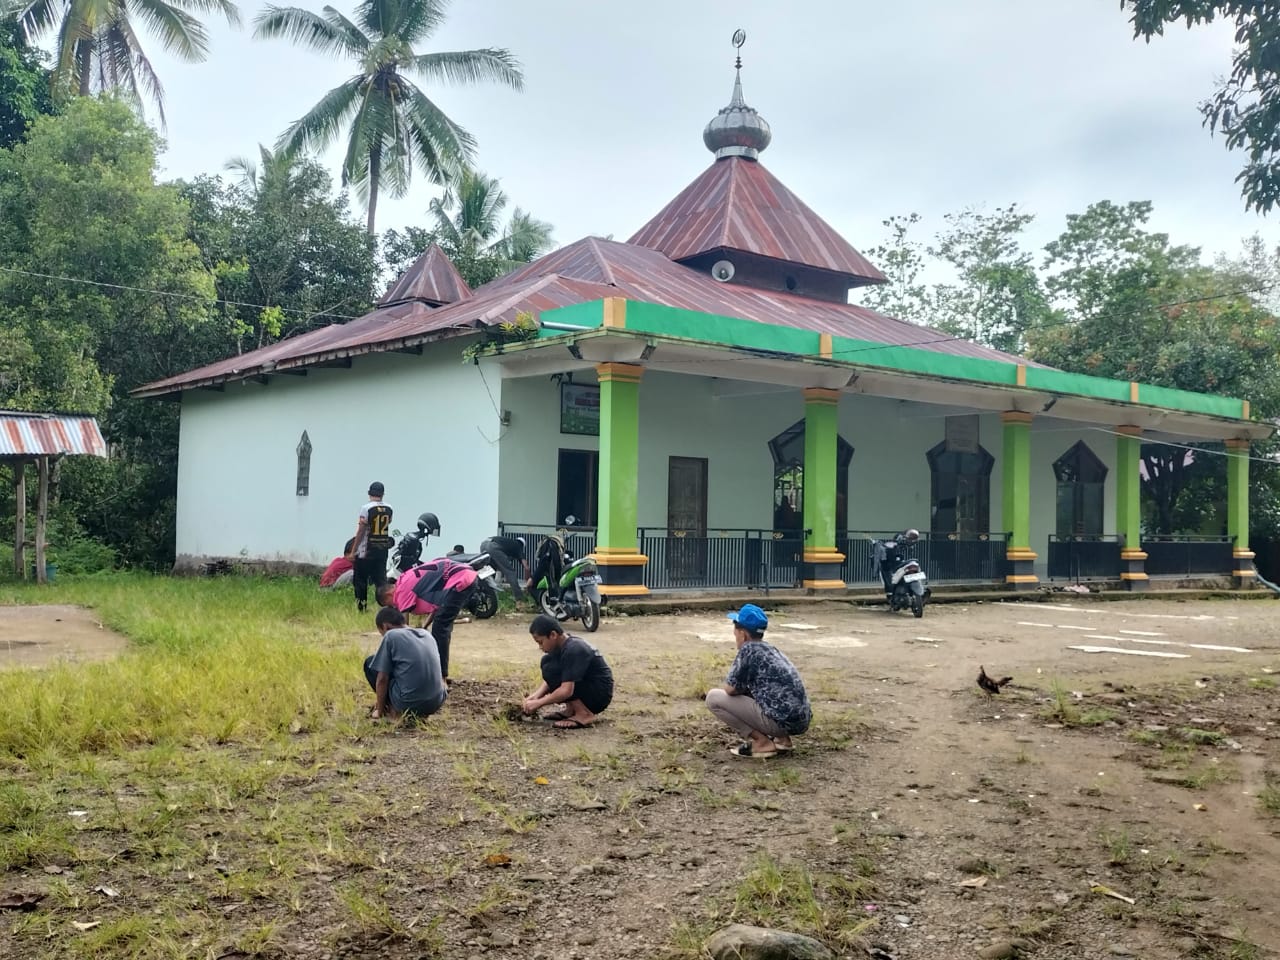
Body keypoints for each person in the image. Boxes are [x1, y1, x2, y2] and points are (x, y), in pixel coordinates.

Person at [706, 604, 811, 759]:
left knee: (713, 698)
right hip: (801, 721)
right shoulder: (770, 649)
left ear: (742, 634)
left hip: (779, 723)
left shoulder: (748, 650)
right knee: (765, 690)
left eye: (735, 630)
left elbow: (730, 690)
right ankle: (783, 740)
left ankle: (761, 742)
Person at [377, 557, 476, 680]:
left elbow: (403, 624)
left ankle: (441, 678)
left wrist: (406, 641)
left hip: (460, 579)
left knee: (440, 630)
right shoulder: (407, 578)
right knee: (439, 626)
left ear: (388, 594)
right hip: (465, 575)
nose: (393, 606)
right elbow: (437, 607)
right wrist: (424, 627)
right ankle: (439, 674)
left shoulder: (401, 591)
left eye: (389, 604)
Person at [521, 614, 613, 729]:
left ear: (553, 635)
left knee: (552, 669)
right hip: (587, 688)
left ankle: (584, 714)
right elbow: (552, 678)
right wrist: (535, 696)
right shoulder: (562, 647)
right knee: (548, 663)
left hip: (598, 694)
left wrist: (539, 703)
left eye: (541, 642)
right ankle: (571, 709)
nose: (540, 647)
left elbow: (566, 691)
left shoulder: (574, 649)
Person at [363, 606, 447, 721]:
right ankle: (420, 711)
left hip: (408, 703)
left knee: (370, 663)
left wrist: (379, 711)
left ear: (385, 626)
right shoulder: (426, 634)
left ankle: (394, 711)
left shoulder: (391, 636)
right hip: (436, 702)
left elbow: (382, 679)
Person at [347, 482, 394, 613]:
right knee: (381, 580)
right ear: (382, 494)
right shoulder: (389, 508)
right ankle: (387, 607)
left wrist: (353, 550)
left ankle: (361, 608)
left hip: (366, 550)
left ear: (369, 493)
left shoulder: (366, 508)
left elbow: (361, 530)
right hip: (382, 549)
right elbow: (389, 521)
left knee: (360, 580)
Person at [480, 534, 529, 603]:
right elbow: (526, 567)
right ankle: (519, 599)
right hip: (493, 546)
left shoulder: (508, 544)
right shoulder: (518, 547)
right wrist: (528, 583)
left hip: (484, 545)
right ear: (522, 545)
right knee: (511, 572)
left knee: (488, 571)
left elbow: (501, 565)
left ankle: (482, 596)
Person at [875, 528, 920, 597]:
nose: (910, 541)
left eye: (912, 539)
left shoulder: (908, 547)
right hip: (899, 566)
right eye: (910, 538)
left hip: (902, 566)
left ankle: (892, 592)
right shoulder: (894, 545)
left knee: (890, 582)